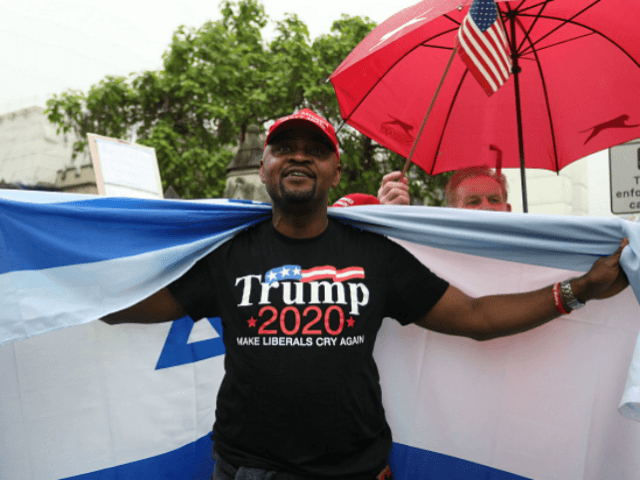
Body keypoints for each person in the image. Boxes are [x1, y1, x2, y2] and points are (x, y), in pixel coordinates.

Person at [102, 109, 629, 480]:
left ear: (335, 170)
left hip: (356, 469)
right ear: (263, 167)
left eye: (316, 150)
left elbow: (475, 316)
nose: (298, 158)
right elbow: (127, 307)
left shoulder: (372, 253)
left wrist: (578, 290)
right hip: (248, 469)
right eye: (283, 148)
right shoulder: (228, 254)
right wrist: (57, 286)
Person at [377, 166, 511, 211]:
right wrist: (389, 215)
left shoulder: (529, 256)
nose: (486, 207)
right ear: (452, 212)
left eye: (494, 200)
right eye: (473, 202)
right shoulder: (432, 254)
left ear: (508, 209)